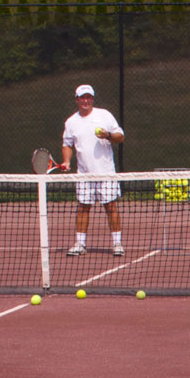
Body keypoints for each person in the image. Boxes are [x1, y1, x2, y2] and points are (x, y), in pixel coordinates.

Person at [61, 84, 126, 257]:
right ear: (77, 99)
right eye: (82, 97)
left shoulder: (104, 115)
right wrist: (67, 161)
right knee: (83, 207)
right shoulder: (71, 122)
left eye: (88, 97)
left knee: (110, 207)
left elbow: (121, 137)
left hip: (105, 172)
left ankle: (117, 244)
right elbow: (67, 144)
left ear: (92, 99)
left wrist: (108, 136)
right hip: (84, 174)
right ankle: (80, 244)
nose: (85, 100)